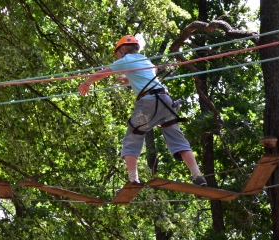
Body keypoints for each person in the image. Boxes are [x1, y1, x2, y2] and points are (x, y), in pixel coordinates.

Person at [78, 35, 207, 186]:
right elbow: (145, 76)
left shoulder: (126, 60)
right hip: (165, 101)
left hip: (148, 103)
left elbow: (103, 73)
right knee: (178, 139)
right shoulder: (145, 61)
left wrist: (86, 83)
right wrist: (128, 79)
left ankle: (133, 179)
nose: (119, 57)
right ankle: (197, 175)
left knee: (132, 138)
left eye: (118, 54)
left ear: (123, 49)